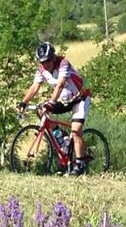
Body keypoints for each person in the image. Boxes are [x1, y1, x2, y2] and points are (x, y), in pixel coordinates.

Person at [16, 42, 92, 175]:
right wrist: (23, 102)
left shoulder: (63, 63)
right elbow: (35, 87)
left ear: (53, 57)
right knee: (41, 110)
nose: (46, 64)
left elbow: (61, 84)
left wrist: (51, 102)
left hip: (79, 99)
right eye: (42, 62)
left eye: (48, 61)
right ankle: (60, 136)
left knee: (76, 131)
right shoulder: (42, 69)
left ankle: (80, 163)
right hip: (64, 101)